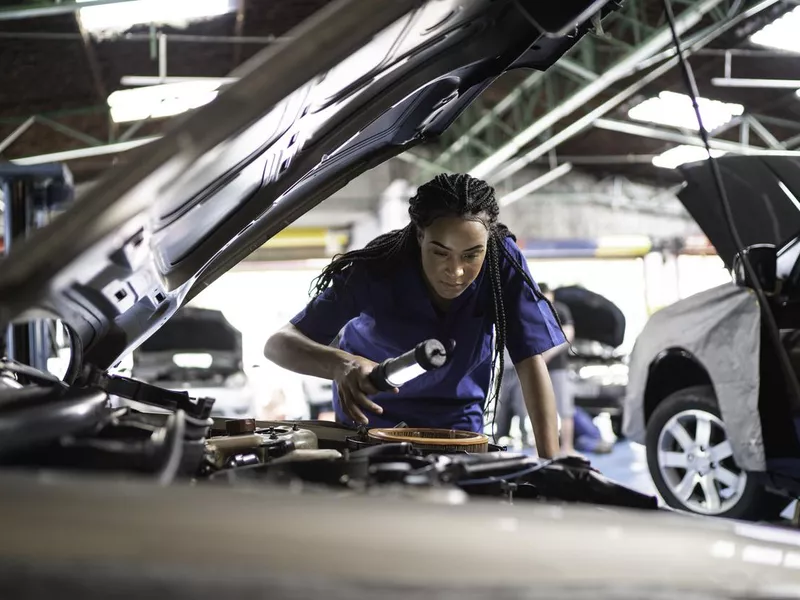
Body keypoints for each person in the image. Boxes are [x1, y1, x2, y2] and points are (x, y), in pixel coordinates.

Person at [264, 173, 567, 458]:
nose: (456, 271)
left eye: (472, 254)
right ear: (420, 236)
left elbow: (529, 360)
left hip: (456, 431)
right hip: (371, 426)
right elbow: (279, 345)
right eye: (440, 252)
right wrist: (341, 365)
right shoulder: (376, 268)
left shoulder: (501, 261)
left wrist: (550, 464)